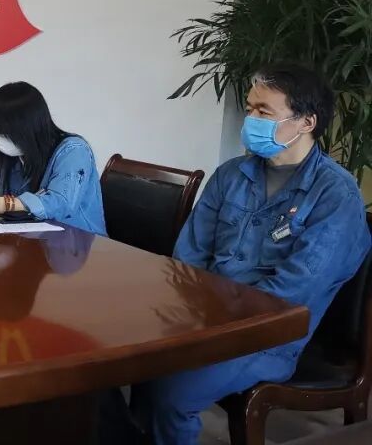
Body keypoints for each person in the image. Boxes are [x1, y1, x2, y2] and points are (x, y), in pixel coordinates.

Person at [137, 63, 370, 445]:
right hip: (205, 317)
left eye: (264, 111)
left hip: (270, 336)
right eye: (249, 109)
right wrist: (195, 314)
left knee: (173, 391)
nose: (251, 120)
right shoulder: (230, 175)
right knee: (127, 357)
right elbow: (189, 255)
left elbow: (294, 290)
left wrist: (215, 319)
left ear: (306, 122)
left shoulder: (335, 196)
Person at [0, 82, 106, 236]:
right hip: (26, 238)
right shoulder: (11, 154)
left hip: (78, 242)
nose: (0, 140)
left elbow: (59, 203)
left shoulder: (73, 151)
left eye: (6, 134)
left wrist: (1, 204)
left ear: (29, 129)